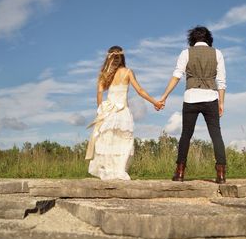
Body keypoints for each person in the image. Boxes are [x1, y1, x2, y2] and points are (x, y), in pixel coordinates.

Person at [159, 26, 227, 183]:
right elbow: (221, 82)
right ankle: (221, 173)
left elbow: (176, 76)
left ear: (192, 39)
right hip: (211, 97)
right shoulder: (217, 53)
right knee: (216, 135)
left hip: (190, 98)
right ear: (208, 39)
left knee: (185, 135)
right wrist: (221, 102)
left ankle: (180, 172)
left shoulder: (186, 53)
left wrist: (164, 96)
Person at [85, 46, 163, 180]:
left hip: (108, 112)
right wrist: (155, 102)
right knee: (123, 143)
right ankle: (119, 171)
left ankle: (109, 171)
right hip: (122, 113)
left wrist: (101, 111)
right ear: (122, 58)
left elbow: (99, 93)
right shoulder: (128, 72)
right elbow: (140, 90)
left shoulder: (105, 74)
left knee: (108, 142)